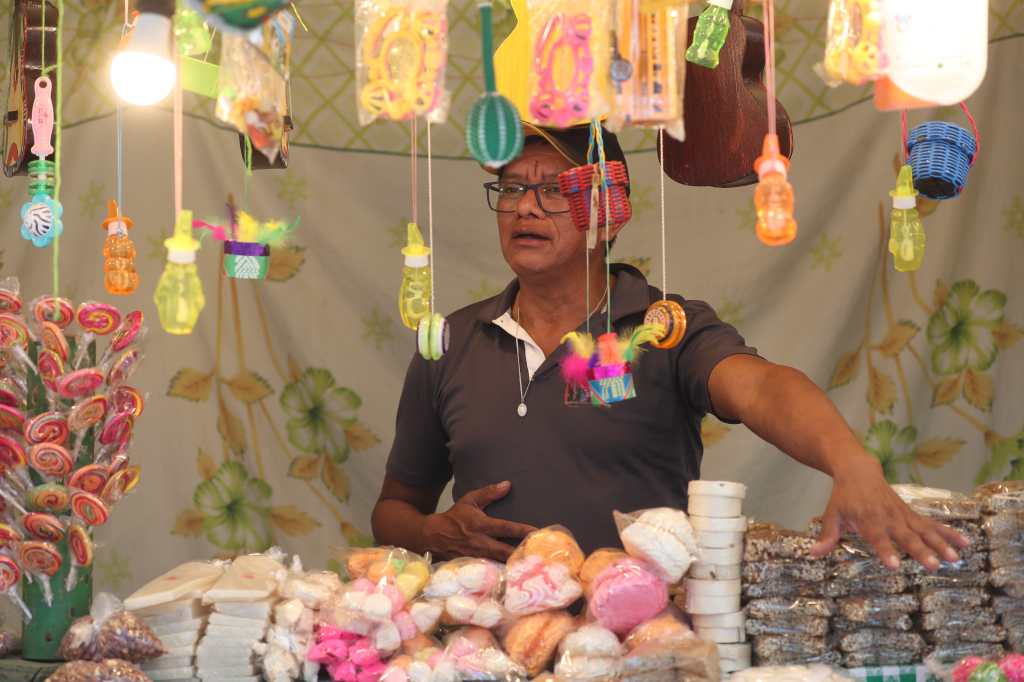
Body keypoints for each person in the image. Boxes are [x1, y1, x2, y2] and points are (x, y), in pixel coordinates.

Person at [372, 123, 968, 570]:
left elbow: (762, 386)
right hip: (492, 649)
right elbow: (394, 509)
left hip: (647, 641)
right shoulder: (449, 341)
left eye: (555, 190)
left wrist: (851, 463)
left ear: (609, 214)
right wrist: (434, 535)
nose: (525, 206)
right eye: (511, 189)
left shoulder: (665, 327)